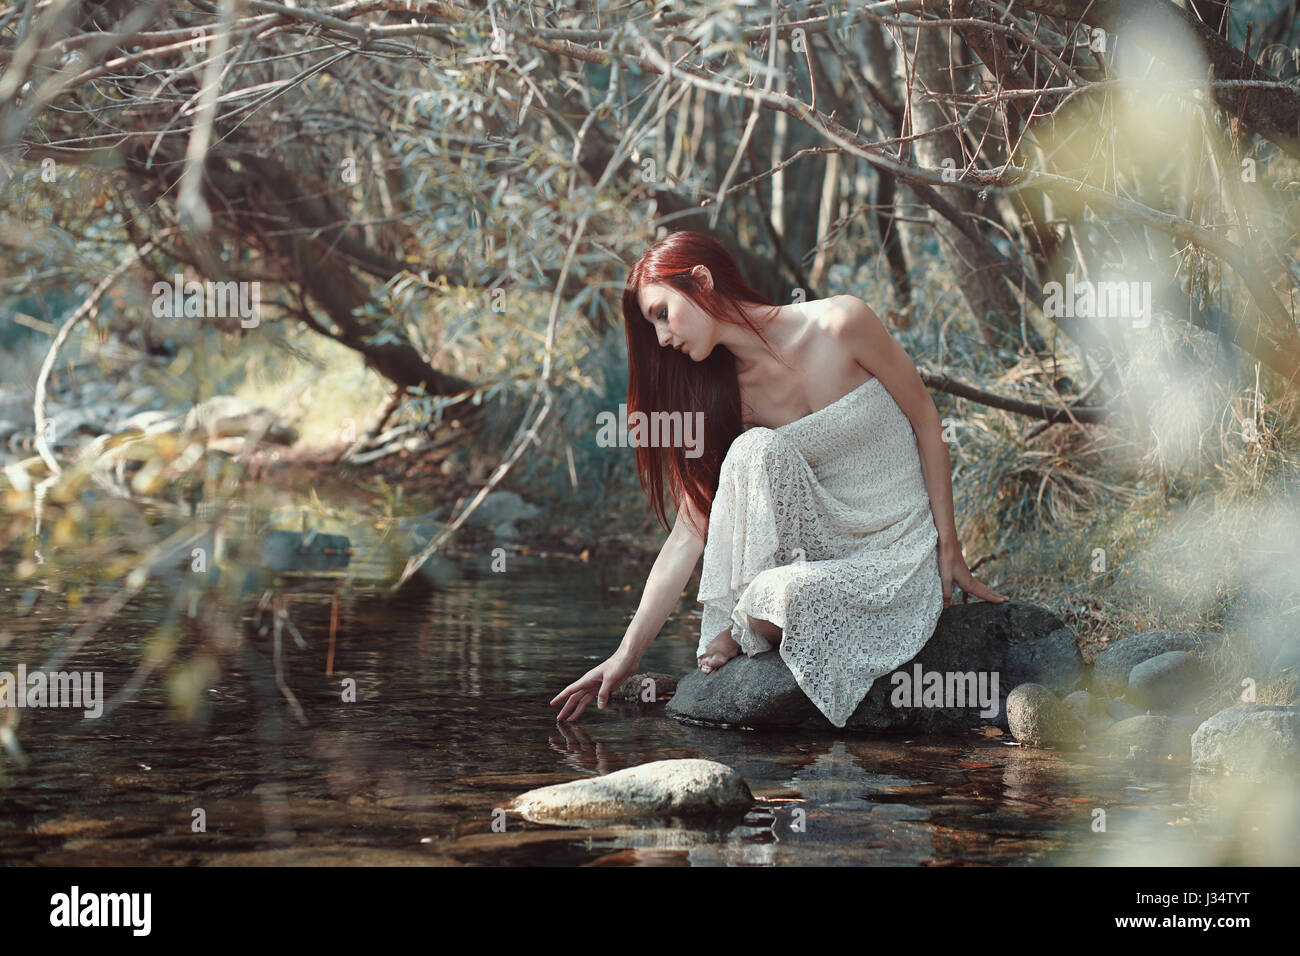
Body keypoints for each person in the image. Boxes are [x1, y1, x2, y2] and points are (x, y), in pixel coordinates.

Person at [551, 230, 1008, 725]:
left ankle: (751, 623)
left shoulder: (842, 321)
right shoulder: (728, 398)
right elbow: (689, 532)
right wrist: (627, 655)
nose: (662, 338)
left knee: (786, 597)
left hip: (899, 551)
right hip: (824, 560)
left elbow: (927, 420)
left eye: (662, 313)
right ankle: (753, 618)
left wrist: (949, 549)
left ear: (701, 281)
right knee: (755, 456)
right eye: (653, 325)